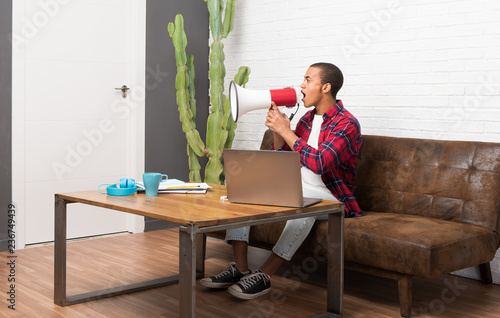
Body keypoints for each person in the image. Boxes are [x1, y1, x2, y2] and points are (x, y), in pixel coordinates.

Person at [200, 62, 363, 300]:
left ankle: (264, 275)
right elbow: (285, 159)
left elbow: (319, 162)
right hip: (298, 186)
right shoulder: (307, 120)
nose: (301, 85)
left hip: (332, 196)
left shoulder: (347, 123)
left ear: (326, 87)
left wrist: (287, 132)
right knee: (246, 194)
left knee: (301, 205)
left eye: (308, 80)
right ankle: (240, 268)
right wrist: (279, 129)